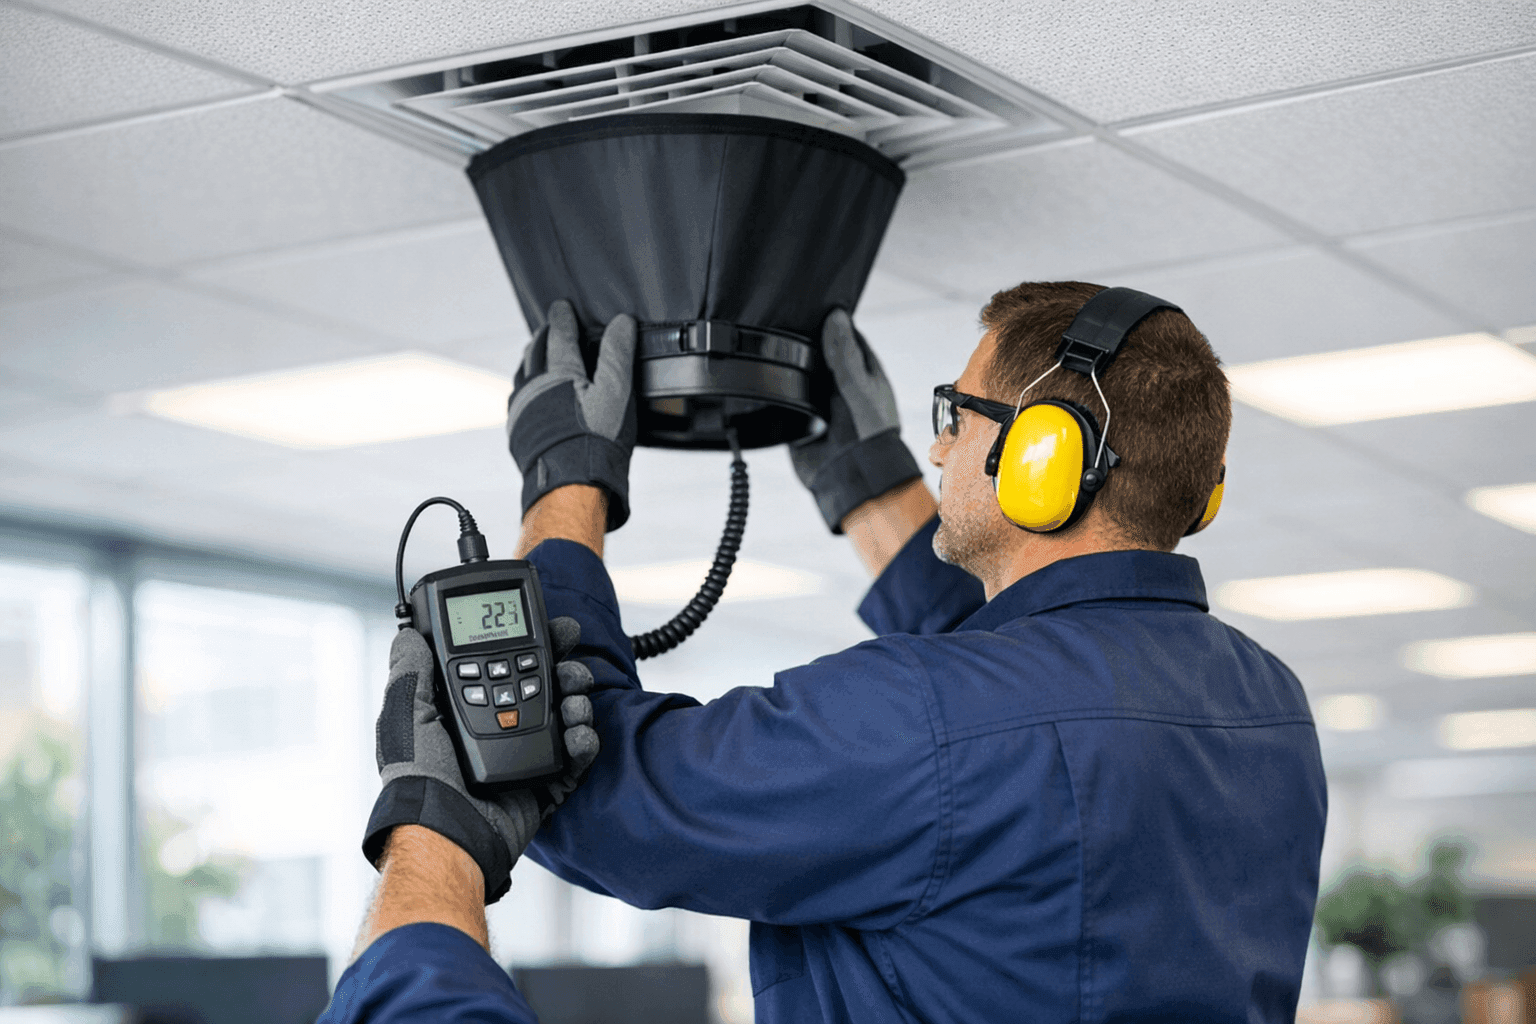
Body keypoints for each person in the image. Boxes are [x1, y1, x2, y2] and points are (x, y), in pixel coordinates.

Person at [324, 281, 1328, 1023]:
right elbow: (1030, 724)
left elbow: (595, 790)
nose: (938, 450)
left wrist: (565, 482)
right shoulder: (1268, 707)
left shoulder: (935, 721)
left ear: (1041, 457)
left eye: (956, 414)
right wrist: (867, 484)